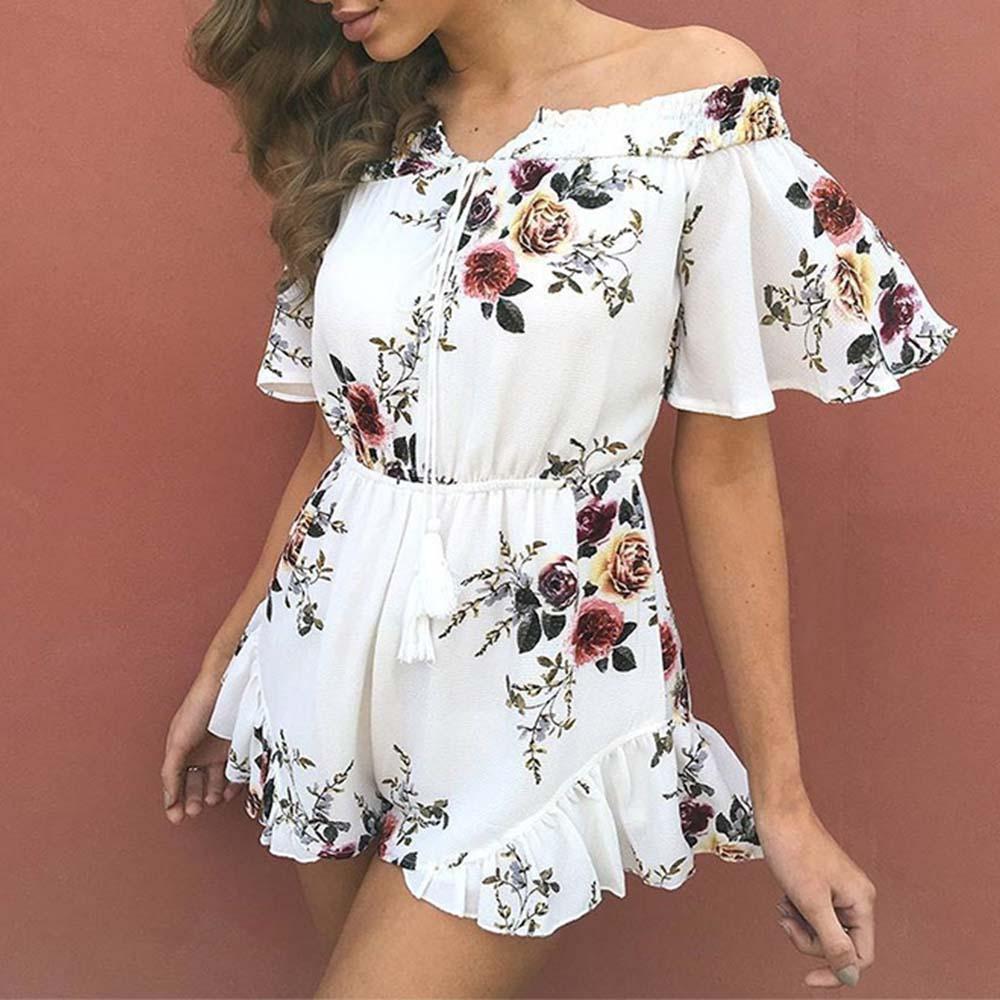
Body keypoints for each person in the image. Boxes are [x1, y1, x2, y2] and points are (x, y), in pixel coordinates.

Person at [161, 2, 958, 996]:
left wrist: (783, 802)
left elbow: (724, 464)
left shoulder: (692, 99)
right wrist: (230, 657)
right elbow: (345, 434)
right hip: (329, 663)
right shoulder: (374, 117)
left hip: (537, 682)